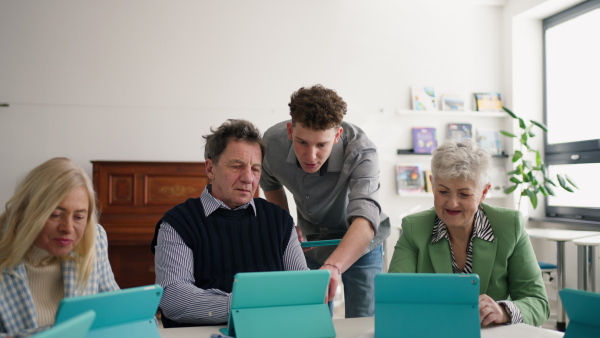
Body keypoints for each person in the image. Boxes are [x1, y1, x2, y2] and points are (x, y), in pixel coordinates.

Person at [151, 119, 308, 328]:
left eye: (255, 169)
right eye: (237, 166)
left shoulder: (279, 220)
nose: (248, 178)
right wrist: (245, 306)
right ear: (210, 168)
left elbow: (302, 289)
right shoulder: (178, 222)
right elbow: (173, 299)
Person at [388, 138, 550, 326]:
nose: (452, 203)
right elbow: (395, 297)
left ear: (484, 192)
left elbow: (538, 302)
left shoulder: (509, 226)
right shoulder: (414, 228)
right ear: (432, 184)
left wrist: (503, 311)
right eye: (443, 191)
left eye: (464, 194)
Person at [260, 84, 390, 318]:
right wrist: (286, 226)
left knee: (363, 323)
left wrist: (333, 266)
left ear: (337, 135)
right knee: (312, 322)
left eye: (322, 145)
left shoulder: (362, 151)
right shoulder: (271, 144)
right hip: (310, 245)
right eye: (302, 142)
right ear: (290, 130)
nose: (311, 156)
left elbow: (366, 215)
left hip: (361, 245)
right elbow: (270, 182)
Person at [0, 158, 119, 337]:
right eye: (55, 215)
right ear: (28, 211)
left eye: (79, 217)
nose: (68, 228)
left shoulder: (94, 238)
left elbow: (115, 311)